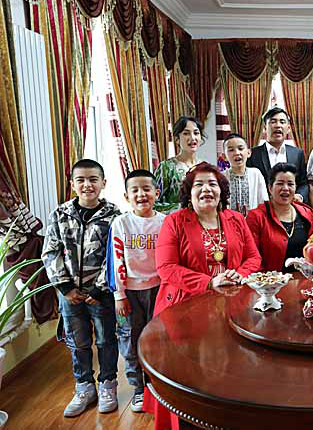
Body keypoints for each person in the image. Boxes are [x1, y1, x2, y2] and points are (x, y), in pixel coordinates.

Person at [147, 162, 261, 430]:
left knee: (229, 366)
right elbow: (166, 268)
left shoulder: (236, 219)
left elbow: (254, 258)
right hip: (184, 309)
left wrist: (238, 275)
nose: (206, 189)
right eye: (199, 184)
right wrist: (210, 282)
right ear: (189, 193)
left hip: (232, 307)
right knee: (190, 374)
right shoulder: (175, 221)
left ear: (221, 191)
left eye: (212, 184)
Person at [42, 159, 121, 417]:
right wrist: (65, 287)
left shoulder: (114, 215)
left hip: (101, 294)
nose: (87, 185)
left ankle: (108, 383)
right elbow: (50, 252)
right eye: (81, 180)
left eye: (93, 179)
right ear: (72, 184)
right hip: (70, 295)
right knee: (78, 342)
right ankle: (84, 387)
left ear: (103, 183)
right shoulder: (60, 214)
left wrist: (99, 289)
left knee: (106, 340)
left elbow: (116, 255)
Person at [106, 169, 165, 413]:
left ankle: (155, 385)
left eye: (147, 189)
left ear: (156, 193)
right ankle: (138, 387)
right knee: (129, 338)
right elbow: (115, 260)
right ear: (126, 196)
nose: (141, 194)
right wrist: (119, 295)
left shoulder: (165, 222)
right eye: (135, 190)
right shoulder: (120, 223)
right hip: (129, 292)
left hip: (158, 289)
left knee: (158, 338)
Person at [247, 163, 313, 273]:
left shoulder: (306, 213)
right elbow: (252, 256)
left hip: (304, 278)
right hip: (272, 280)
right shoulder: (256, 217)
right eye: (280, 183)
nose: (285, 188)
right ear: (270, 188)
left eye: (290, 184)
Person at [247, 106, 309, 203]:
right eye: (273, 122)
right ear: (264, 128)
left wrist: (299, 195)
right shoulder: (253, 154)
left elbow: (303, 183)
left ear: (288, 128)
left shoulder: (297, 153)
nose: (278, 125)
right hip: (263, 207)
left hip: (290, 206)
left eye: (282, 122)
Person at [154, 116, 204, 213]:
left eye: (196, 133)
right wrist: (181, 207)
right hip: (176, 220)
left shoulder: (205, 168)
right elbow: (154, 203)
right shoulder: (166, 167)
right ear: (177, 139)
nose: (192, 137)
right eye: (186, 133)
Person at [223, 133, 268, 216]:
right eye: (231, 150)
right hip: (229, 221)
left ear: (248, 152)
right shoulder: (222, 177)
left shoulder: (256, 174)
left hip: (253, 221)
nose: (237, 153)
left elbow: (263, 201)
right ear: (224, 156)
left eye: (240, 148)